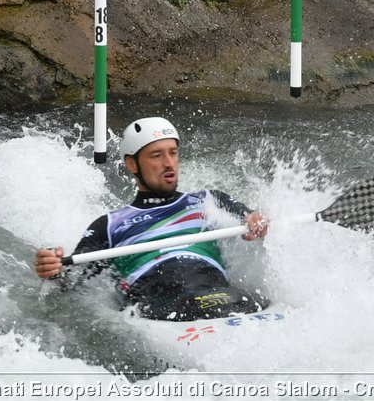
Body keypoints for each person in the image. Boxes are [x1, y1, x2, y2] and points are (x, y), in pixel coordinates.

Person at [33, 117, 272, 322]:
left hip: (220, 294)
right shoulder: (108, 225)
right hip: (157, 304)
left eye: (173, 153)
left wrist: (254, 222)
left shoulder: (209, 201)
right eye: (156, 155)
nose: (169, 163)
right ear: (132, 164)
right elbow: (72, 280)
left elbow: (250, 219)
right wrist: (54, 269)